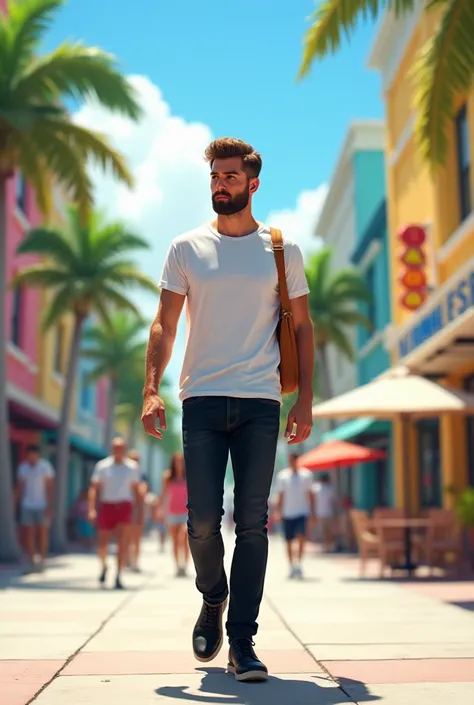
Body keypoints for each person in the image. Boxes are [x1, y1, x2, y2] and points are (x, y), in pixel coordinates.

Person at [141, 137, 314, 682]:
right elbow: (165, 322)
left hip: (262, 400)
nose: (220, 183)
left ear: (253, 183)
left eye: (231, 176)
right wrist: (151, 387)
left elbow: (304, 327)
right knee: (200, 521)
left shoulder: (281, 252)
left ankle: (242, 641)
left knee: (255, 524)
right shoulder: (186, 247)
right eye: (215, 176)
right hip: (203, 399)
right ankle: (212, 597)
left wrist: (303, 397)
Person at [88, 437, 140, 589]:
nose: (118, 451)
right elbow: (94, 489)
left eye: (121, 448)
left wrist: (138, 510)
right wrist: (91, 509)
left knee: (122, 543)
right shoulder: (103, 466)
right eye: (116, 448)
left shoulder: (132, 467)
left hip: (124, 506)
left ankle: (118, 574)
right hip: (107, 505)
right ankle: (104, 566)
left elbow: (136, 489)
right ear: (112, 449)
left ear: (125, 449)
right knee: (103, 542)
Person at [15, 444, 54, 573]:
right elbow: (19, 488)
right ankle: (31, 561)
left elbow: (50, 488)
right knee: (29, 534)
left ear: (37, 454)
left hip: (42, 505)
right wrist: (15, 504)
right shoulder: (23, 468)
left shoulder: (45, 467)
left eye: (34, 454)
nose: (32, 457)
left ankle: (42, 560)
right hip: (27, 504)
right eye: (29, 454)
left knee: (42, 533)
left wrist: (50, 506)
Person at [275, 453, 315, 579]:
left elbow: (310, 494)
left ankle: (299, 565)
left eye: (294, 460)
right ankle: (291, 566)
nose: (292, 462)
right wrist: (278, 512)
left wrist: (313, 512)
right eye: (291, 460)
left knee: (301, 538)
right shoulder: (282, 476)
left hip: (302, 512)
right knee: (289, 542)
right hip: (287, 513)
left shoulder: (306, 475)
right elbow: (280, 495)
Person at [161, 452, 189, 576]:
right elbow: (164, 494)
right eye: (177, 461)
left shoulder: (188, 476)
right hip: (172, 512)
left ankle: (185, 566)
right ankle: (178, 566)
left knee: (184, 538)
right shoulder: (167, 477)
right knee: (175, 541)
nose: (179, 463)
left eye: (181, 461)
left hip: (186, 512)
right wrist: (160, 509)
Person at [127, 449, 148, 572]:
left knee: (136, 536)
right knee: (126, 535)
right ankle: (126, 560)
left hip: (137, 507)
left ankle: (135, 561)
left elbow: (143, 491)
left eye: (137, 460)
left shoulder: (142, 474)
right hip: (126, 506)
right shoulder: (125, 471)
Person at [314, 473, 336, 552]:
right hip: (326, 512)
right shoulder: (327, 488)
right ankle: (328, 545)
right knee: (327, 530)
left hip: (323, 512)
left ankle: (329, 545)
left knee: (326, 530)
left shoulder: (317, 488)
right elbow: (333, 501)